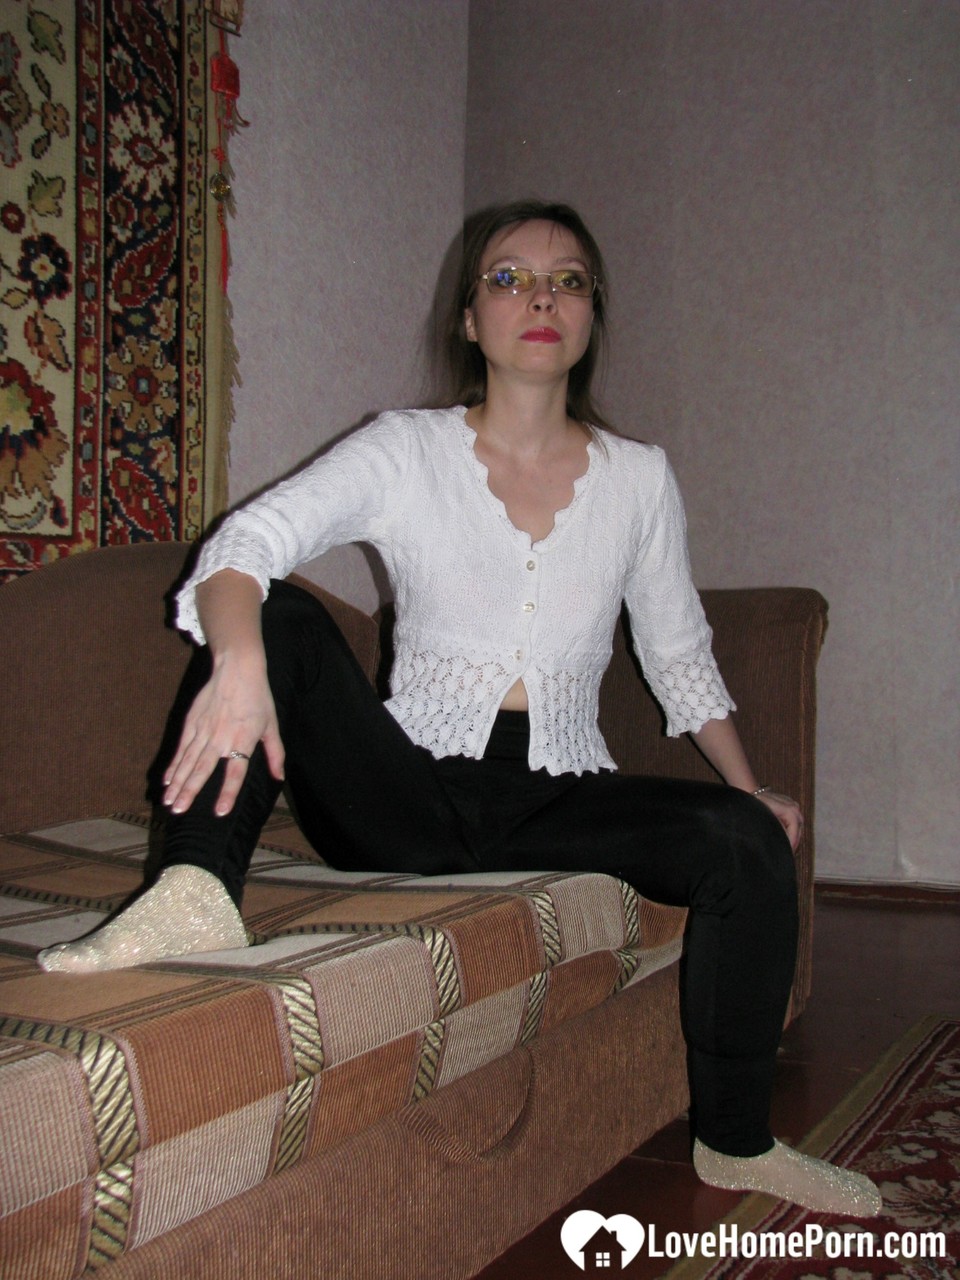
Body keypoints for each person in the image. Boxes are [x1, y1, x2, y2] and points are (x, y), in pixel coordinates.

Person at [38, 200, 880, 1217]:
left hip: (559, 795)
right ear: (471, 319)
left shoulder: (639, 479)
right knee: (284, 618)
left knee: (746, 842)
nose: (541, 298)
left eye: (568, 281)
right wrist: (241, 662)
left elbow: (676, 651)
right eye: (509, 278)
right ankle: (194, 886)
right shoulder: (407, 449)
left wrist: (751, 791)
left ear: (592, 314)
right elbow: (243, 548)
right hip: (405, 794)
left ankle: (738, 1143)